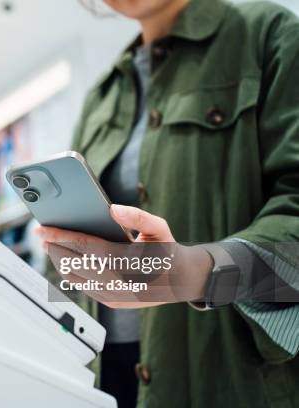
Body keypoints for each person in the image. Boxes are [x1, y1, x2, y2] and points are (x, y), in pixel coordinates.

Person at [35, 0, 299, 406]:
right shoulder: (102, 97)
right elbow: (64, 265)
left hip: (230, 380)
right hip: (104, 379)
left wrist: (194, 273)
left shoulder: (268, 34)